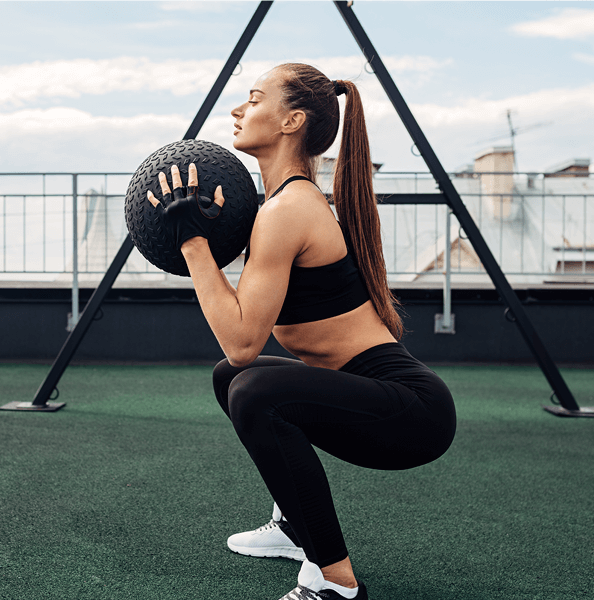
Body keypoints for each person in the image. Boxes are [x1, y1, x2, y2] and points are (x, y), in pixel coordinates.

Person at [146, 63, 456, 600]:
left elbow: (243, 342)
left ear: (291, 120)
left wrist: (193, 244)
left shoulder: (289, 209)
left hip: (412, 413)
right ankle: (295, 527)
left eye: (254, 99)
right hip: (377, 399)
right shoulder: (280, 205)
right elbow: (239, 342)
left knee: (253, 387)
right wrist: (201, 231)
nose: (239, 110)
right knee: (231, 379)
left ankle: (336, 582)